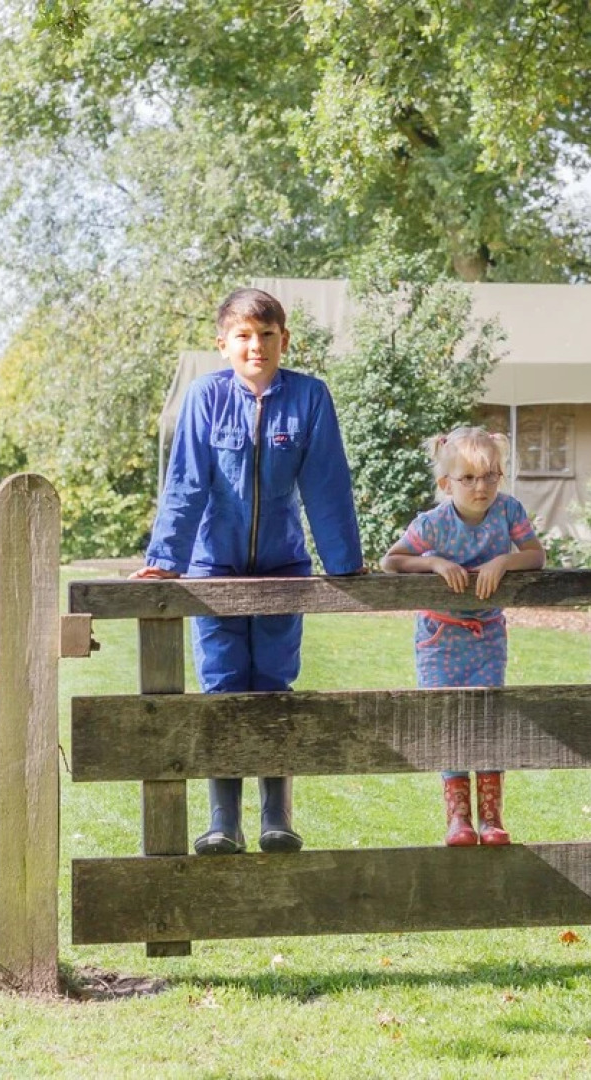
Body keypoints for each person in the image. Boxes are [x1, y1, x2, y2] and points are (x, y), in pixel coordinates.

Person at [133, 287, 364, 855]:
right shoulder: (205, 397)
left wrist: (345, 564)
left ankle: (276, 817)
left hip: (283, 567)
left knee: (273, 686)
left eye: (266, 334)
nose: (255, 345)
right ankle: (223, 822)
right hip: (215, 568)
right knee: (223, 687)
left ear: (285, 340)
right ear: (223, 344)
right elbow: (186, 480)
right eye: (243, 336)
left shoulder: (309, 397)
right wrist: (166, 560)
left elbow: (327, 483)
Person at [380, 426, 545, 846]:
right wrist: (433, 563)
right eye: (468, 478)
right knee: (448, 719)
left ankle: (491, 817)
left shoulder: (507, 512)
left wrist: (503, 561)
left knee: (488, 717)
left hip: (486, 634)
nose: (480, 487)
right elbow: (391, 561)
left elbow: (536, 554)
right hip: (439, 637)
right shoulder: (433, 524)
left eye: (490, 476)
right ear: (445, 483)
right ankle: (459, 818)